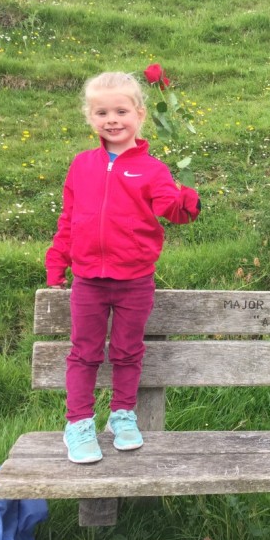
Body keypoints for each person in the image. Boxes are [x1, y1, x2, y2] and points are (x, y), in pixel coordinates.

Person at [46, 72, 201, 463]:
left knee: (128, 351)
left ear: (140, 114)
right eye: (101, 112)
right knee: (85, 353)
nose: (112, 119)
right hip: (88, 281)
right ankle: (78, 424)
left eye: (120, 110)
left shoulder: (152, 169)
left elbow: (172, 210)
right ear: (90, 117)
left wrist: (186, 202)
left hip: (134, 282)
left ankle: (122, 416)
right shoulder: (81, 166)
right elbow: (69, 219)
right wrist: (57, 262)